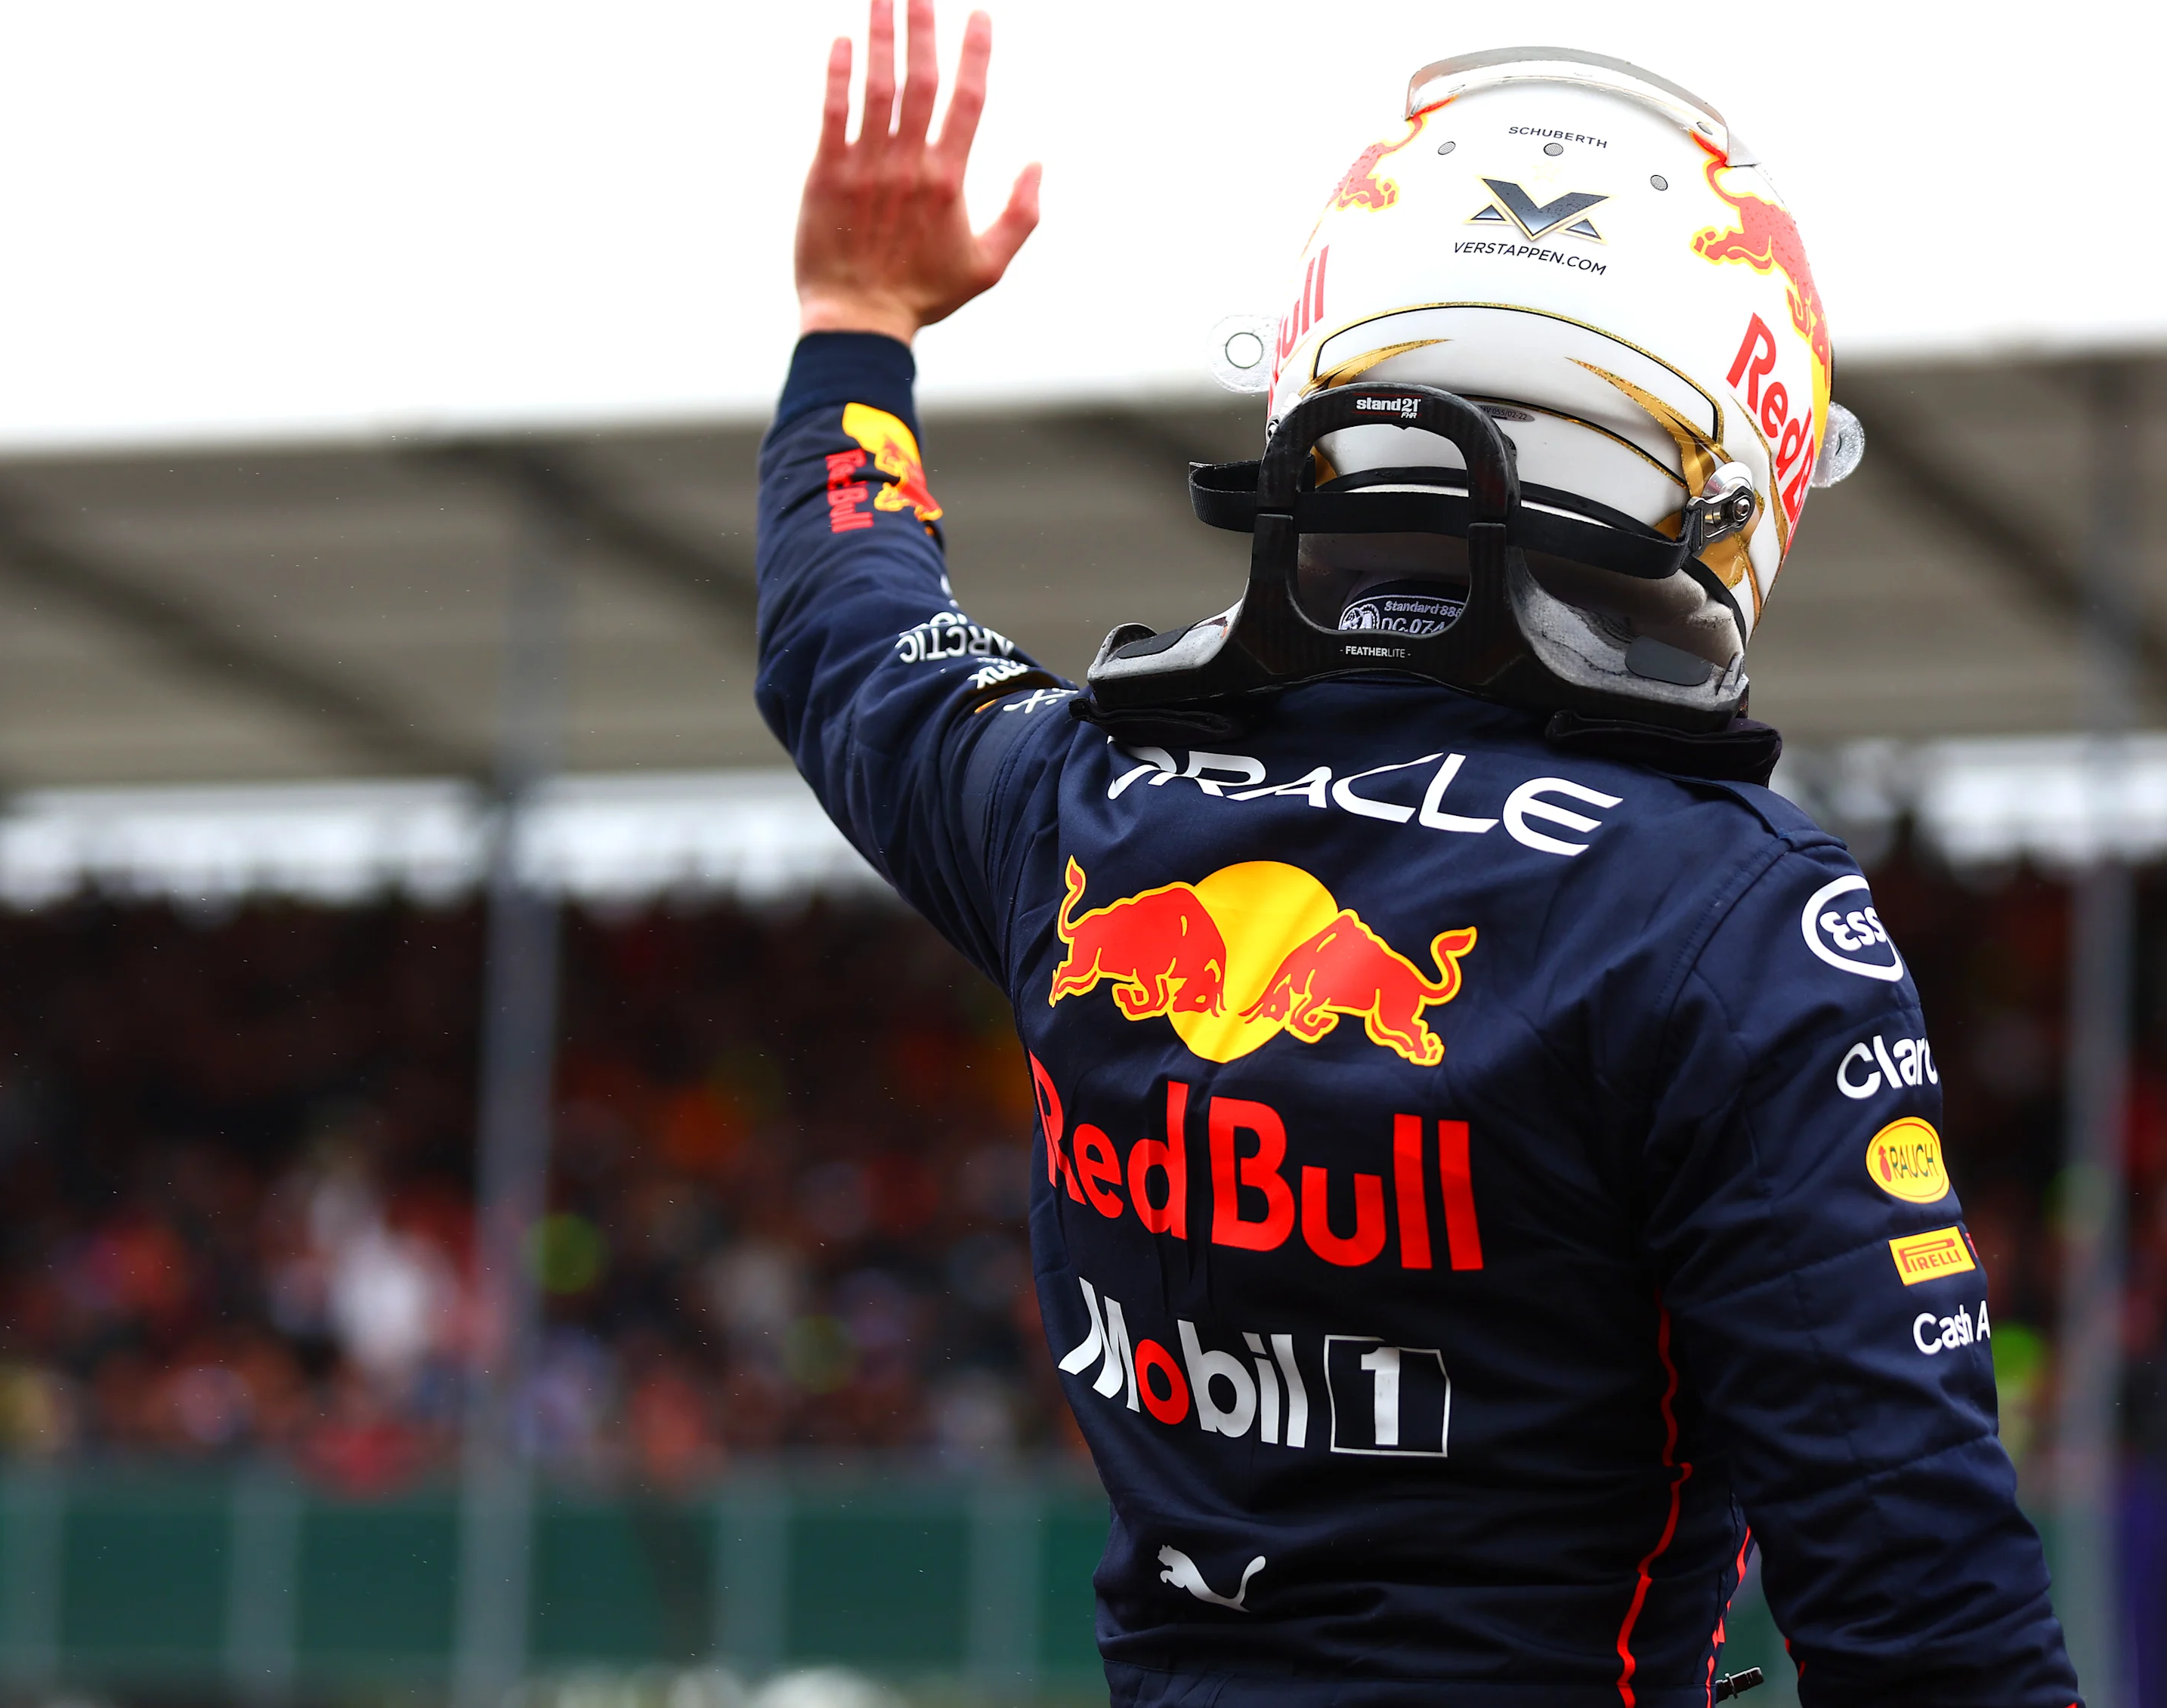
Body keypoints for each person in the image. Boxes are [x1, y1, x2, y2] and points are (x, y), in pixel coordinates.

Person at [755, 5, 2081, 1703]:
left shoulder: (1077, 802)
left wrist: (851, 325)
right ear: (1738, 454)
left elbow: (847, 632)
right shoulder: (1727, 911)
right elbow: (1925, 1617)